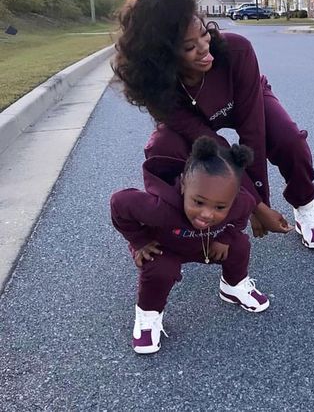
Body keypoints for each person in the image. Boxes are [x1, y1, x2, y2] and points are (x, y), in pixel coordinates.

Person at [113, 0, 314, 249]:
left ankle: (305, 203)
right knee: (162, 147)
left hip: (245, 98)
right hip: (194, 120)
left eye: (204, 34)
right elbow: (216, 146)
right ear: (163, 57)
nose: (205, 48)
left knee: (288, 139)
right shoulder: (158, 89)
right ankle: (178, 217)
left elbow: (252, 131)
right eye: (190, 46)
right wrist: (256, 207)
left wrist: (260, 201)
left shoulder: (236, 50)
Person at [110, 136, 269, 354]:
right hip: (164, 247)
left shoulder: (240, 202)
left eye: (220, 207)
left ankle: (233, 286)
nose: (207, 214)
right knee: (159, 270)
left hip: (207, 244)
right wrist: (140, 241)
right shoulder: (158, 207)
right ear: (184, 184)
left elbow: (243, 213)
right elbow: (119, 203)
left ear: (233, 198)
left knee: (239, 245)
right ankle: (148, 315)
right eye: (198, 202)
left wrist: (225, 237)